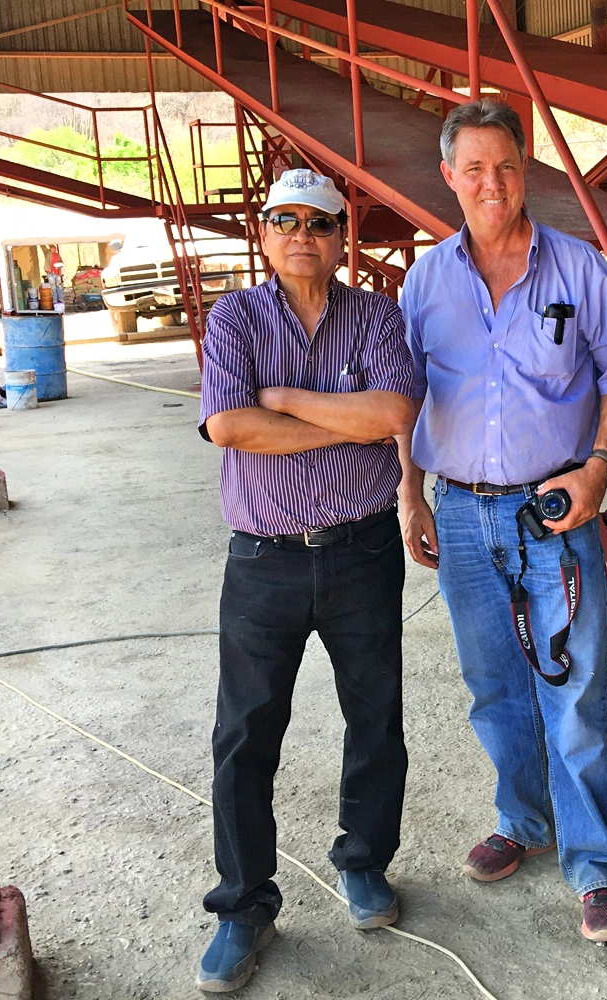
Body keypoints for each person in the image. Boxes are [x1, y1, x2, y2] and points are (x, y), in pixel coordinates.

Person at [396, 100, 607, 943]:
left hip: (556, 508)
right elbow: (405, 399)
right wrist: (410, 493)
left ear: (525, 170)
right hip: (462, 512)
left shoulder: (578, 269)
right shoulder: (425, 280)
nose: (492, 183)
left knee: (572, 688)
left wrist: (599, 468)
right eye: (474, 168)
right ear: (449, 176)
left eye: (506, 166)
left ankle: (597, 865)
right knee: (493, 683)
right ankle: (525, 820)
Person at [195, 168, 419, 992]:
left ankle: (364, 861)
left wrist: (285, 399)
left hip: (363, 550)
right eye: (284, 220)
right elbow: (230, 425)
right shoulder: (234, 317)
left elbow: (394, 416)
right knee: (246, 733)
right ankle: (244, 904)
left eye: (318, 222)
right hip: (264, 559)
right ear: (263, 233)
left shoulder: (377, 315)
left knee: (376, 717)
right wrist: (345, 420)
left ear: (340, 237)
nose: (301, 234)